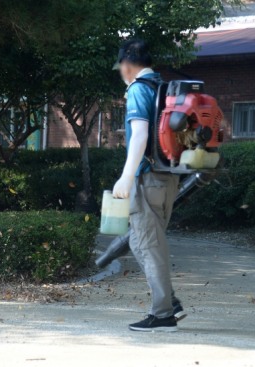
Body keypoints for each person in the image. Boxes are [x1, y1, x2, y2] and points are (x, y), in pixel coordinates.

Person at [112, 39, 186, 332]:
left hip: (147, 178)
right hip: (167, 177)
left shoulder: (138, 90)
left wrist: (126, 177)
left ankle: (163, 313)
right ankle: (170, 302)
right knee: (143, 241)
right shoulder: (162, 87)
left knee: (147, 244)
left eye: (121, 67)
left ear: (128, 65)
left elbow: (140, 135)